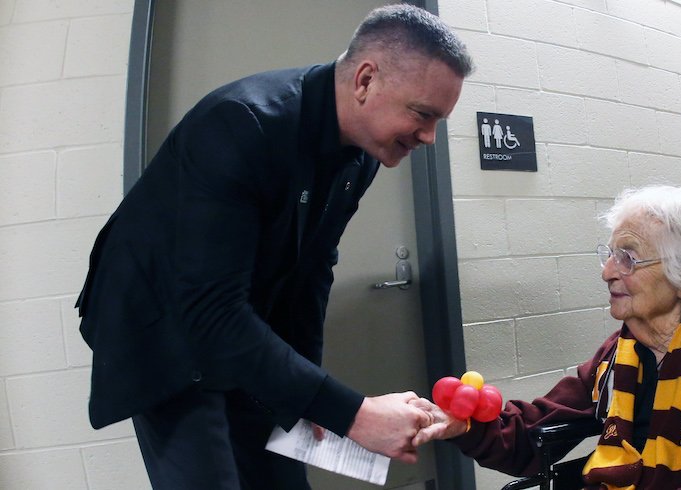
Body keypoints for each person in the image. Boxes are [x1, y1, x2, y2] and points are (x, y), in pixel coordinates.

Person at [74, 4, 473, 489]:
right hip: (166, 333)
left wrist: (310, 398)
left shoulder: (362, 155)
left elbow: (312, 273)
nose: (429, 137)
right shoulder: (242, 123)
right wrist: (353, 414)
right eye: (422, 114)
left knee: (281, 478)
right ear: (365, 80)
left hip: (238, 326)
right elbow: (209, 312)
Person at [412, 186, 681, 489]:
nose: (607, 271)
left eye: (628, 257)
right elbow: (535, 432)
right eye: (610, 254)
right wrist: (465, 426)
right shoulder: (622, 352)